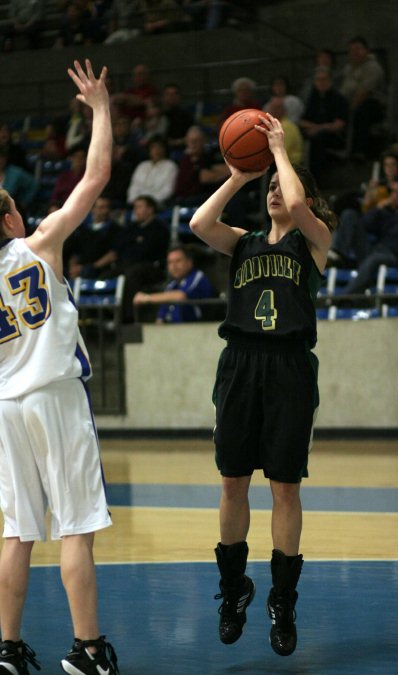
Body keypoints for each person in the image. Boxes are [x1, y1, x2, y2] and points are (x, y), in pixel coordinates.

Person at [189, 112, 336, 656]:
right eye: (269, 187)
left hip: (290, 368)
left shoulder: (313, 242)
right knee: (232, 480)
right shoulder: (245, 243)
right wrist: (239, 175)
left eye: (281, 183)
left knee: (285, 487)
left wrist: (277, 152)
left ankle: (283, 601)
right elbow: (199, 225)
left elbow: (298, 205)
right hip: (240, 366)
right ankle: (233, 590)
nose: (275, 191)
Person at [0, 59, 120, 675]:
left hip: (5, 407)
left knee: (17, 530)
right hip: (53, 393)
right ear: (8, 221)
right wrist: (99, 108)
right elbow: (96, 174)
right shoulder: (38, 242)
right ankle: (90, 650)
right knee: (76, 526)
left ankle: (8, 649)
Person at [333, 177, 398, 295]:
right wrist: (378, 208)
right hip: (374, 250)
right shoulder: (385, 213)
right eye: (393, 191)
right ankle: (338, 255)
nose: (397, 195)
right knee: (349, 214)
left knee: (373, 260)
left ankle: (343, 299)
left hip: (397, 256)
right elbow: (364, 224)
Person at [133, 244, 218, 322]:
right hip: (175, 333)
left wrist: (147, 298)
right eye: (170, 262)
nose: (174, 266)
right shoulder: (171, 286)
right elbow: (160, 319)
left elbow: (180, 296)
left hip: (200, 330)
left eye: (178, 261)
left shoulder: (197, 277)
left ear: (189, 263)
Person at [299, 66, 348, 184]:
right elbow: (302, 121)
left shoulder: (339, 98)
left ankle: (317, 181)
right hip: (313, 132)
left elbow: (339, 124)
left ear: (330, 81)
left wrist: (318, 128)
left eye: (324, 79)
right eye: (318, 80)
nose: (321, 82)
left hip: (334, 136)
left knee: (317, 139)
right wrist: (315, 128)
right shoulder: (312, 99)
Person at [339, 36, 386, 158]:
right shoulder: (348, 68)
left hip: (369, 104)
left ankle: (359, 151)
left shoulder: (373, 67)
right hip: (347, 103)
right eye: (351, 50)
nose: (354, 52)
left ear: (366, 50)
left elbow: (364, 92)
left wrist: (348, 110)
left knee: (360, 112)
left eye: (358, 48)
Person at [64, 195, 122, 279]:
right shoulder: (82, 229)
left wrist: (91, 267)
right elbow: (74, 253)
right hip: (80, 267)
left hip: (100, 268)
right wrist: (73, 267)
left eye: (107, 207)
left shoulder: (114, 229)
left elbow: (112, 254)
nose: (105, 211)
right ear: (93, 209)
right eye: (101, 208)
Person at [126, 135, 178, 207]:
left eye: (160, 147)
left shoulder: (171, 166)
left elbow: (167, 191)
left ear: (165, 149)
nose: (156, 150)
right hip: (137, 205)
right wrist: (136, 201)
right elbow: (133, 187)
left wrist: (149, 203)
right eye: (153, 147)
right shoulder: (142, 166)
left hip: (157, 205)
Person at [265, 96, 303, 166]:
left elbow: (280, 150)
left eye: (278, 108)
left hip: (291, 165)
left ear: (284, 110)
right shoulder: (273, 125)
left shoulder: (287, 126)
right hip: (280, 162)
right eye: (272, 107)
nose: (274, 110)